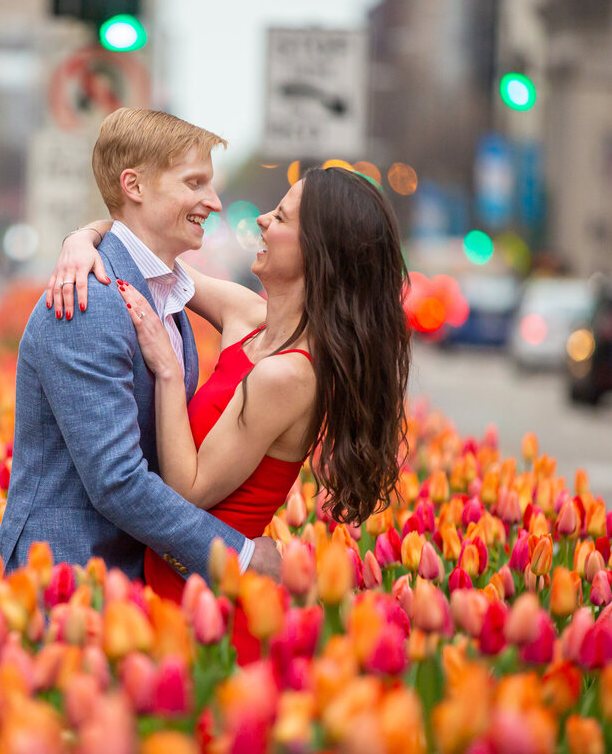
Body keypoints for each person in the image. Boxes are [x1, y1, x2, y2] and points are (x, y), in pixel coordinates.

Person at [49, 165, 412, 662]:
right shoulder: (249, 316)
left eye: (281, 217)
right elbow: (143, 256)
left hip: (209, 602)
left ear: (317, 252)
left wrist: (168, 370)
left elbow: (187, 489)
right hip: (171, 579)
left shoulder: (288, 376)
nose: (262, 220)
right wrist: (80, 240)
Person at [0, 108, 283, 586]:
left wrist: (89, 232)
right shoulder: (90, 299)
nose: (212, 200)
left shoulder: (164, 292)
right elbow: (118, 482)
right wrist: (244, 559)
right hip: (62, 586)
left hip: (123, 584)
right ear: (134, 186)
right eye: (194, 183)